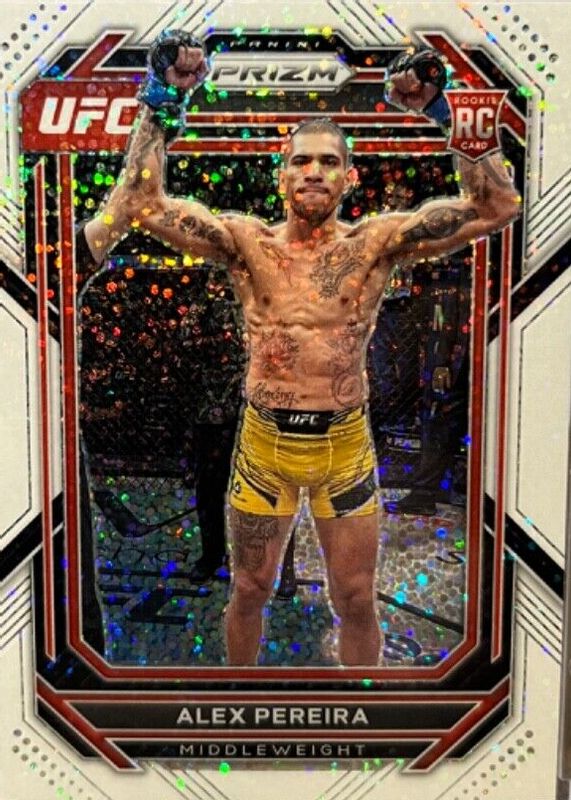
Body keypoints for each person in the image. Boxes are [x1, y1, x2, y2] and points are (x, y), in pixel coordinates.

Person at [80, 32, 520, 666]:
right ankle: (239, 699)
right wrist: (161, 98)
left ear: (349, 176)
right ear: (281, 174)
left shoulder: (375, 244)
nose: (314, 171)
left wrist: (443, 110)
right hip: (264, 445)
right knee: (249, 591)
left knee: (357, 599)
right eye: (302, 161)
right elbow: (142, 202)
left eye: (329, 162)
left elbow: (498, 205)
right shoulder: (246, 242)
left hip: (344, 447)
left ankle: (364, 709)